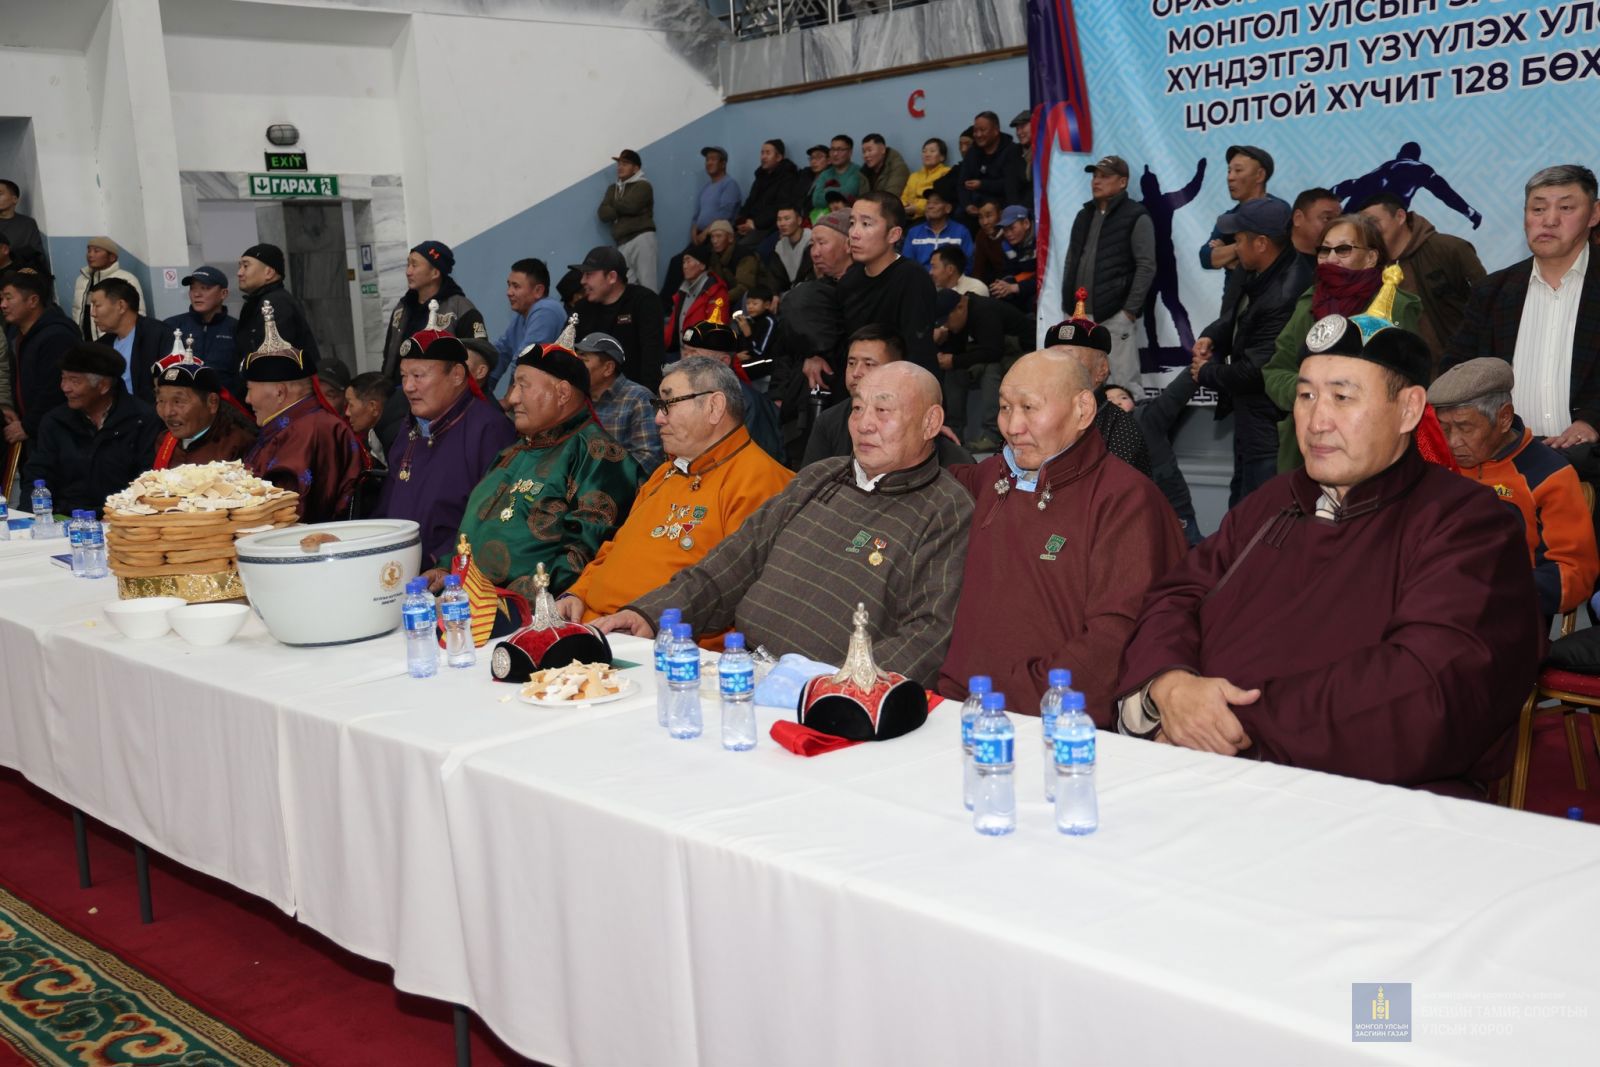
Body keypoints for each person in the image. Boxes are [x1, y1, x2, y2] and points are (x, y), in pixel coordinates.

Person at [1115, 323, 1541, 799]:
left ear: (1408, 409)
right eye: (1306, 396)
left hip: (1362, 801)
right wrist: (1171, 685)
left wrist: (1224, 723)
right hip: (1202, 767)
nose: (1317, 421)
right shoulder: (1274, 501)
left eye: (1342, 397)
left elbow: (1425, 688)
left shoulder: (1468, 525)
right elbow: (1177, 596)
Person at [597, 362, 973, 688]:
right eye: (857, 408)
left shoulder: (947, 509)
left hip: (832, 695)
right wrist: (650, 614)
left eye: (883, 410)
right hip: (743, 671)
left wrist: (842, 689)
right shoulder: (819, 477)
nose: (864, 424)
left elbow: (929, 634)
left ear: (930, 422)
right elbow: (732, 563)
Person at [939, 351, 1184, 717]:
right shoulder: (993, 476)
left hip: (1048, 720)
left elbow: (1113, 643)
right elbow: (918, 476)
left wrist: (1010, 697)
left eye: (1029, 407)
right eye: (1004, 408)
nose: (1012, 426)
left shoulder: (1126, 499)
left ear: (1083, 410)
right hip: (954, 706)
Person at [557, 357, 795, 623]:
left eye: (668, 404)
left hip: (659, 637)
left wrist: (649, 623)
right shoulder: (665, 473)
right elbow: (614, 549)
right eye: (659, 406)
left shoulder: (762, 482)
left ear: (714, 407)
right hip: (593, 623)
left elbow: (737, 592)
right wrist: (577, 593)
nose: (658, 418)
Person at [442, 336, 642, 599]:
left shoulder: (598, 455)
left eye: (523, 386)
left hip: (528, 610)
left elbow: (586, 552)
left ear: (563, 393)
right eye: (514, 385)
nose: (513, 398)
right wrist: (444, 568)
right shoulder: (513, 451)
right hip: (466, 600)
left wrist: (526, 602)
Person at [1443, 164, 1600, 453]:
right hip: (1511, 459)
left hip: (1592, 457)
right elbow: (1455, 373)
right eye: (1537, 209)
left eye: (1566, 208)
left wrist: (1592, 422)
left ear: (1594, 214)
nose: (1549, 220)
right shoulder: (1492, 291)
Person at [1429, 357, 1598, 617]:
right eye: (1444, 428)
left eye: (1464, 428)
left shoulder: (1548, 475)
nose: (1452, 442)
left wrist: (1493, 591)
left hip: (1506, 616)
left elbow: (1575, 573)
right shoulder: (1438, 467)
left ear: (1504, 418)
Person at [1263, 214, 1422, 472]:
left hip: (1372, 447)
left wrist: (1348, 397)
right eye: (1324, 250)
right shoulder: (1308, 304)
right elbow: (1275, 370)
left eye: (1343, 249)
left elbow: (1409, 381)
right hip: (1310, 445)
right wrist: (1310, 394)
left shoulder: (1396, 305)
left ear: (1371, 257)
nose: (1331, 258)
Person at [1194, 197, 1314, 504]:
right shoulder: (1257, 269)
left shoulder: (1287, 291)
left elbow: (1258, 371)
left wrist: (1206, 373)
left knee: (1263, 511)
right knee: (1241, 508)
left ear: (1261, 243)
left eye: (1239, 240)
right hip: (1249, 418)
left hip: (1269, 425)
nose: (1235, 247)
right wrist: (1212, 335)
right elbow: (1237, 316)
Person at [375, 324, 518, 567]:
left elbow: (493, 519)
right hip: (397, 567)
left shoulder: (489, 431)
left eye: (418, 376)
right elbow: (386, 507)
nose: (408, 387)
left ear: (457, 375)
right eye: (404, 376)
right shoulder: (409, 428)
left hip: (450, 573)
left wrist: (441, 563)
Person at [240, 303, 367, 523]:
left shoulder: (308, 431)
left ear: (280, 392)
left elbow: (288, 507)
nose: (247, 400)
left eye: (250, 390)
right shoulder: (298, 425)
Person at [807, 324, 974, 468]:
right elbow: (811, 482)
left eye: (869, 364)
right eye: (851, 363)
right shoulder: (829, 421)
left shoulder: (924, 426)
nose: (856, 372)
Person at [23, 342, 160, 516]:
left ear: (103, 386)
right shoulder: (55, 421)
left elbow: (148, 480)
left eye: (75, 381)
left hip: (123, 517)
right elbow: (37, 474)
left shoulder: (142, 420)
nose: (65, 388)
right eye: (63, 378)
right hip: (64, 517)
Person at [1356, 192, 1486, 373]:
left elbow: (1486, 302)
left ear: (1400, 217)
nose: (1369, 230)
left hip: (1463, 367)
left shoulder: (1448, 249)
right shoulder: (1369, 267)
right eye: (1364, 226)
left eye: (1373, 222)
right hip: (1406, 374)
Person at [1063, 155, 1155, 391]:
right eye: (1094, 176)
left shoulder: (1136, 215)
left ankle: (1129, 418)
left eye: (1104, 176)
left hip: (1114, 314)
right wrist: (1068, 305)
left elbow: (1146, 266)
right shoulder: (1084, 215)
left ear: (1122, 182)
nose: (1096, 181)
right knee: (1081, 383)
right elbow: (1071, 260)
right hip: (1080, 315)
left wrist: (1129, 311)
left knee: (1124, 385)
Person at [1042, 312, 1155, 477]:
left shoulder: (1119, 427)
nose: (1058, 369)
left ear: (1102, 369)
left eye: (1069, 359)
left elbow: (1114, 485)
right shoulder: (1034, 416)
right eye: (1052, 360)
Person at [838, 192, 939, 372]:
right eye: (852, 223)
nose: (854, 233)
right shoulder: (850, 279)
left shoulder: (912, 278)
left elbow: (918, 350)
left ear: (893, 235)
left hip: (901, 380)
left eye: (866, 224)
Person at [1106, 373, 1204, 546]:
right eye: (1109, 401)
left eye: (1123, 397)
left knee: (1190, 548)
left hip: (1174, 505)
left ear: (1134, 403)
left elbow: (1175, 394)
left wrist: (1195, 370)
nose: (1118, 402)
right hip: (1130, 514)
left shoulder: (1147, 418)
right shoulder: (1096, 437)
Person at [936, 288, 1033, 452]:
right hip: (999, 354)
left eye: (947, 320)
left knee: (991, 370)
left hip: (1022, 354)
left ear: (960, 307)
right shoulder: (964, 315)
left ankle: (992, 435)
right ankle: (954, 432)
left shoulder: (983, 311)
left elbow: (993, 351)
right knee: (955, 371)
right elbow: (962, 349)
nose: (946, 326)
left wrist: (954, 360)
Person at [679, 316, 784, 462]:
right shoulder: (681, 391)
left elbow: (760, 459)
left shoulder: (744, 403)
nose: (685, 360)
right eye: (685, 352)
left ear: (723, 361)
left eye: (694, 354)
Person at [381, 240, 485, 380]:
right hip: (399, 389)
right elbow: (389, 356)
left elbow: (476, 360)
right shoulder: (402, 308)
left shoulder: (461, 309)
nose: (408, 272)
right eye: (408, 264)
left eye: (414, 265)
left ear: (435, 273)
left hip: (442, 390)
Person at [1, 270, 79, 450]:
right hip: (28, 429)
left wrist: (29, 425)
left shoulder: (57, 336)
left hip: (57, 434)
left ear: (33, 301)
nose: (3, 305)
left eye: (9, 298)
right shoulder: (15, 333)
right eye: (1, 299)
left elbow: (56, 389)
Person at [572, 245, 667, 393]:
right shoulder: (582, 308)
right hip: (589, 394)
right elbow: (567, 352)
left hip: (634, 395)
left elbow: (653, 359)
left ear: (612, 277)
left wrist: (647, 399)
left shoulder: (644, 302)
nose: (582, 281)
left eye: (589, 274)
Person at [148, 354, 258, 469]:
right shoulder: (164, 441)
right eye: (161, 401)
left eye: (178, 401)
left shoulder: (238, 445)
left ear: (212, 402)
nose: (167, 412)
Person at [577, 331, 663, 472]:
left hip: (619, 483)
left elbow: (649, 458)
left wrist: (603, 477)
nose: (575, 366)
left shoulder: (638, 398)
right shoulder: (577, 397)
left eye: (583, 361)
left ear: (608, 368)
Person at [234, 243, 322, 373]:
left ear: (269, 272)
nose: (239, 273)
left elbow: (276, 359)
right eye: (240, 266)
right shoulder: (259, 301)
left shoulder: (274, 303)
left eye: (246, 266)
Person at [1199, 145, 1285, 273]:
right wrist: (1243, 249)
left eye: (1238, 170)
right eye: (1229, 171)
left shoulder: (1279, 210)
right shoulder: (1229, 217)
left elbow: (1278, 258)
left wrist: (1229, 256)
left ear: (1260, 175)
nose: (1230, 177)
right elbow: (1205, 257)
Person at [86, 278, 168, 401]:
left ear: (121, 306)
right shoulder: (101, 346)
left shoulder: (158, 335)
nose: (93, 313)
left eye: (97, 305)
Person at [492, 258, 565, 396]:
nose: (509, 292)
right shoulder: (522, 315)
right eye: (509, 285)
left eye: (516, 286)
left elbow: (527, 358)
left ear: (538, 291)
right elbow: (502, 351)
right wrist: (485, 386)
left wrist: (508, 399)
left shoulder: (546, 310)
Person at [163, 265, 239, 394]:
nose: (197, 294)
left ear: (223, 293)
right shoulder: (172, 326)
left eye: (205, 288)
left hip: (225, 401)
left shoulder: (236, 328)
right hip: (182, 401)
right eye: (193, 288)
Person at [598, 149, 658, 293]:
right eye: (619, 164)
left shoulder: (643, 185)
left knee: (648, 285)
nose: (620, 167)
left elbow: (632, 206)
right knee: (627, 289)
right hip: (622, 243)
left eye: (625, 164)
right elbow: (603, 214)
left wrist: (613, 203)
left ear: (636, 168)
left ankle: (654, 309)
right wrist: (620, 205)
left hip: (641, 238)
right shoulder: (613, 188)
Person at [735, 139, 805, 252]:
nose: (763, 157)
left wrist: (755, 223)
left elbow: (780, 207)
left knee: (740, 249)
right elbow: (750, 201)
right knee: (727, 241)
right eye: (762, 153)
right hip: (750, 223)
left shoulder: (788, 177)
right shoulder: (760, 176)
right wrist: (742, 221)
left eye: (768, 153)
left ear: (779, 157)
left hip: (769, 227)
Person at [69, 238, 144, 342]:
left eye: (96, 251)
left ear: (112, 257)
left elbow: (138, 313)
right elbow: (77, 312)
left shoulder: (126, 279)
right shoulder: (81, 280)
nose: (90, 255)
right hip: (85, 342)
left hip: (115, 342)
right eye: (89, 251)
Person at [958, 111, 1024, 220]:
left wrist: (982, 185)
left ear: (996, 130)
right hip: (976, 205)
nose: (978, 135)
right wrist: (967, 205)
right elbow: (962, 183)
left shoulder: (1012, 150)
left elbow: (1012, 185)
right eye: (975, 131)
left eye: (983, 130)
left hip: (1001, 204)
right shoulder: (972, 152)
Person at [665, 243, 730, 356]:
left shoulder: (716, 291)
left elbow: (716, 329)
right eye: (683, 262)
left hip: (703, 356)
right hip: (684, 353)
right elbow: (672, 327)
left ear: (702, 266)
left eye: (688, 261)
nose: (684, 266)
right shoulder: (682, 291)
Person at [903, 185, 973, 270]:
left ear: (948, 208)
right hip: (920, 277)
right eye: (928, 203)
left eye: (936, 203)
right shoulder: (914, 232)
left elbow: (968, 264)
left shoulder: (961, 232)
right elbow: (907, 265)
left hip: (952, 277)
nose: (930, 206)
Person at [692, 146, 742, 247]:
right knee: (681, 257)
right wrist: (693, 234)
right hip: (700, 236)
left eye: (713, 159)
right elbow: (696, 217)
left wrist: (705, 233)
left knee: (683, 257)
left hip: (716, 237)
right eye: (707, 160)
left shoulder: (730, 184)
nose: (709, 163)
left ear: (723, 164)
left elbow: (725, 216)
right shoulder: (705, 188)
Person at [990, 206, 1037, 311]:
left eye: (1011, 228)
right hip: (1022, 284)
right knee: (997, 294)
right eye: (1005, 230)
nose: (1008, 234)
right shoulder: (1007, 245)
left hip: (1040, 287)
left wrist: (1015, 287)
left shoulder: (1041, 241)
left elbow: (1045, 278)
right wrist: (1003, 285)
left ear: (1026, 224)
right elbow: (1009, 271)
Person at [704, 219, 759, 306]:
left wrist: (720, 298)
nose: (714, 241)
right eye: (712, 237)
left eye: (719, 236)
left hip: (750, 299)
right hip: (728, 297)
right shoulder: (714, 256)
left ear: (730, 238)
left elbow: (744, 287)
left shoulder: (744, 255)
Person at [809, 135, 865, 218]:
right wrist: (837, 194)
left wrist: (827, 189)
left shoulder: (857, 171)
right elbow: (816, 200)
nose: (835, 154)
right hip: (827, 218)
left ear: (850, 152)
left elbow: (848, 194)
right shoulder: (825, 174)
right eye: (832, 149)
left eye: (840, 150)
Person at [345, 371, 393, 466]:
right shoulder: (375, 435)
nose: (347, 413)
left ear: (373, 407)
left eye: (351, 405)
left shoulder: (397, 439)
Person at [901, 138, 953, 222]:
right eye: (924, 151)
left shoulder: (946, 173)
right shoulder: (914, 176)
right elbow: (904, 197)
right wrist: (904, 206)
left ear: (942, 157)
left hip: (930, 217)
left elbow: (938, 200)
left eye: (932, 151)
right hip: (908, 216)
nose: (927, 154)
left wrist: (917, 208)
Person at [764, 205, 813, 293]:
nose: (782, 224)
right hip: (789, 292)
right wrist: (774, 293)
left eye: (787, 219)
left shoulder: (812, 240)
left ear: (799, 220)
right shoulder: (780, 245)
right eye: (779, 219)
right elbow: (775, 275)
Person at [734, 285, 777, 385]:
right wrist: (736, 356)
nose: (750, 307)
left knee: (733, 370)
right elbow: (742, 346)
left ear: (767, 305)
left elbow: (759, 352)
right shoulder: (750, 320)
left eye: (755, 303)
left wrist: (748, 333)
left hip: (766, 361)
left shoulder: (769, 321)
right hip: (750, 359)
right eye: (748, 303)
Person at [1290, 188, 1342, 268]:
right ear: (1298, 218)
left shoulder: (1334, 263)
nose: (1335, 226)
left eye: (1339, 220)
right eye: (1327, 218)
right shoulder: (1273, 252)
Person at [0, 180, 43, 261]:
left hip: (20, 267)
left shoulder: (28, 223)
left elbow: (37, 253)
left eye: (0, 193)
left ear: (14, 199)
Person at [860, 134, 910, 198]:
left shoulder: (898, 168)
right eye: (864, 152)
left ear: (883, 149)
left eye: (870, 150)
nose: (866, 155)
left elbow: (891, 197)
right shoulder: (864, 172)